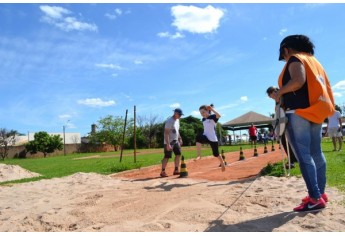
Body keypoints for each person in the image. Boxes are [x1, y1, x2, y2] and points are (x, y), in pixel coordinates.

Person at [272, 35, 335, 212]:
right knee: (317, 153)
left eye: (283, 55)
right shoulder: (315, 62)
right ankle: (320, 194)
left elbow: (298, 81)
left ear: (286, 49)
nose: (284, 59)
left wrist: (280, 92)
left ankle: (315, 198)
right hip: (316, 111)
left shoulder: (295, 58)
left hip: (297, 113)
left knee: (304, 156)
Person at [266, 86, 298, 168]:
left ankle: (292, 161)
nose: (271, 97)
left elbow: (283, 109)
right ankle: (292, 159)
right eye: (270, 97)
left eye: (271, 95)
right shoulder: (277, 99)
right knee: (285, 141)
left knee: (287, 141)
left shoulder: (282, 97)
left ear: (273, 92)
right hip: (283, 122)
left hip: (287, 121)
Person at [195, 104, 226, 172]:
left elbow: (219, 115)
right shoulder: (203, 119)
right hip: (205, 137)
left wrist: (211, 109)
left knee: (216, 154)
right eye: (201, 113)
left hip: (213, 139)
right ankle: (199, 155)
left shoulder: (213, 117)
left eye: (203, 112)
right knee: (198, 137)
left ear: (207, 111)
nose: (202, 114)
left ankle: (222, 163)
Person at [160, 108, 184, 178]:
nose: (180, 116)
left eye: (181, 115)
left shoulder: (177, 120)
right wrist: (167, 144)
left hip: (175, 140)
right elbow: (166, 133)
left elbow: (177, 131)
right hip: (169, 142)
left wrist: (180, 138)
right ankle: (162, 171)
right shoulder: (169, 121)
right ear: (175, 113)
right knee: (167, 156)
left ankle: (176, 170)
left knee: (178, 154)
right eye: (179, 114)